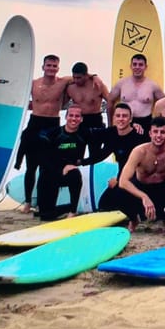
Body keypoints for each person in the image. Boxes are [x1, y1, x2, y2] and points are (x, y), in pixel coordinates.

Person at [103, 116, 165, 232]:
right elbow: (123, 181)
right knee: (117, 193)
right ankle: (133, 219)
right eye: (155, 132)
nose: (158, 136)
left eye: (162, 132)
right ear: (150, 134)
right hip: (142, 187)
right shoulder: (139, 151)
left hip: (163, 187)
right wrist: (144, 197)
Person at [14, 55, 74, 214]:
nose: (51, 69)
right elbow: (16, 94)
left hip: (52, 125)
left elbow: (79, 77)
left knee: (47, 167)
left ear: (58, 68)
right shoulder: (33, 84)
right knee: (31, 166)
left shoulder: (62, 82)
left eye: (54, 66)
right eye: (49, 65)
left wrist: (93, 77)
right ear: (43, 67)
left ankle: (41, 202)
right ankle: (27, 202)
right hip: (35, 123)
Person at [78, 102, 149, 191]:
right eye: (118, 116)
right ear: (113, 118)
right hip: (122, 178)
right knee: (104, 202)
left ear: (130, 119)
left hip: (139, 180)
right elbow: (101, 154)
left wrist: (119, 180)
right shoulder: (112, 133)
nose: (121, 119)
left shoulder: (139, 135)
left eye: (124, 116)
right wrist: (80, 162)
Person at [35, 105, 87, 221]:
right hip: (51, 172)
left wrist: (83, 162)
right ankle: (62, 208)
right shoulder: (53, 134)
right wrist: (61, 169)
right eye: (71, 115)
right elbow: (43, 159)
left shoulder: (85, 134)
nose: (74, 119)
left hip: (70, 174)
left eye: (77, 116)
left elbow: (108, 135)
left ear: (82, 119)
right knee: (46, 216)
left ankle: (73, 211)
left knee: (75, 174)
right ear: (66, 117)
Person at [108, 54, 165, 134]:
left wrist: (160, 124)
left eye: (141, 65)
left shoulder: (153, 85)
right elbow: (110, 101)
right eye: (134, 64)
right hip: (125, 122)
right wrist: (110, 124)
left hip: (146, 123)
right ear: (131, 66)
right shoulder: (121, 83)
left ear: (146, 67)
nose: (137, 67)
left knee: (143, 146)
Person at [65, 62, 110, 156]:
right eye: (74, 77)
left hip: (95, 120)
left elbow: (111, 102)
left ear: (86, 75)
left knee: (95, 153)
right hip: (79, 121)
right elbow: (61, 104)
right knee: (75, 153)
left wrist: (111, 124)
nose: (76, 80)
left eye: (79, 78)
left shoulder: (98, 85)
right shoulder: (71, 88)